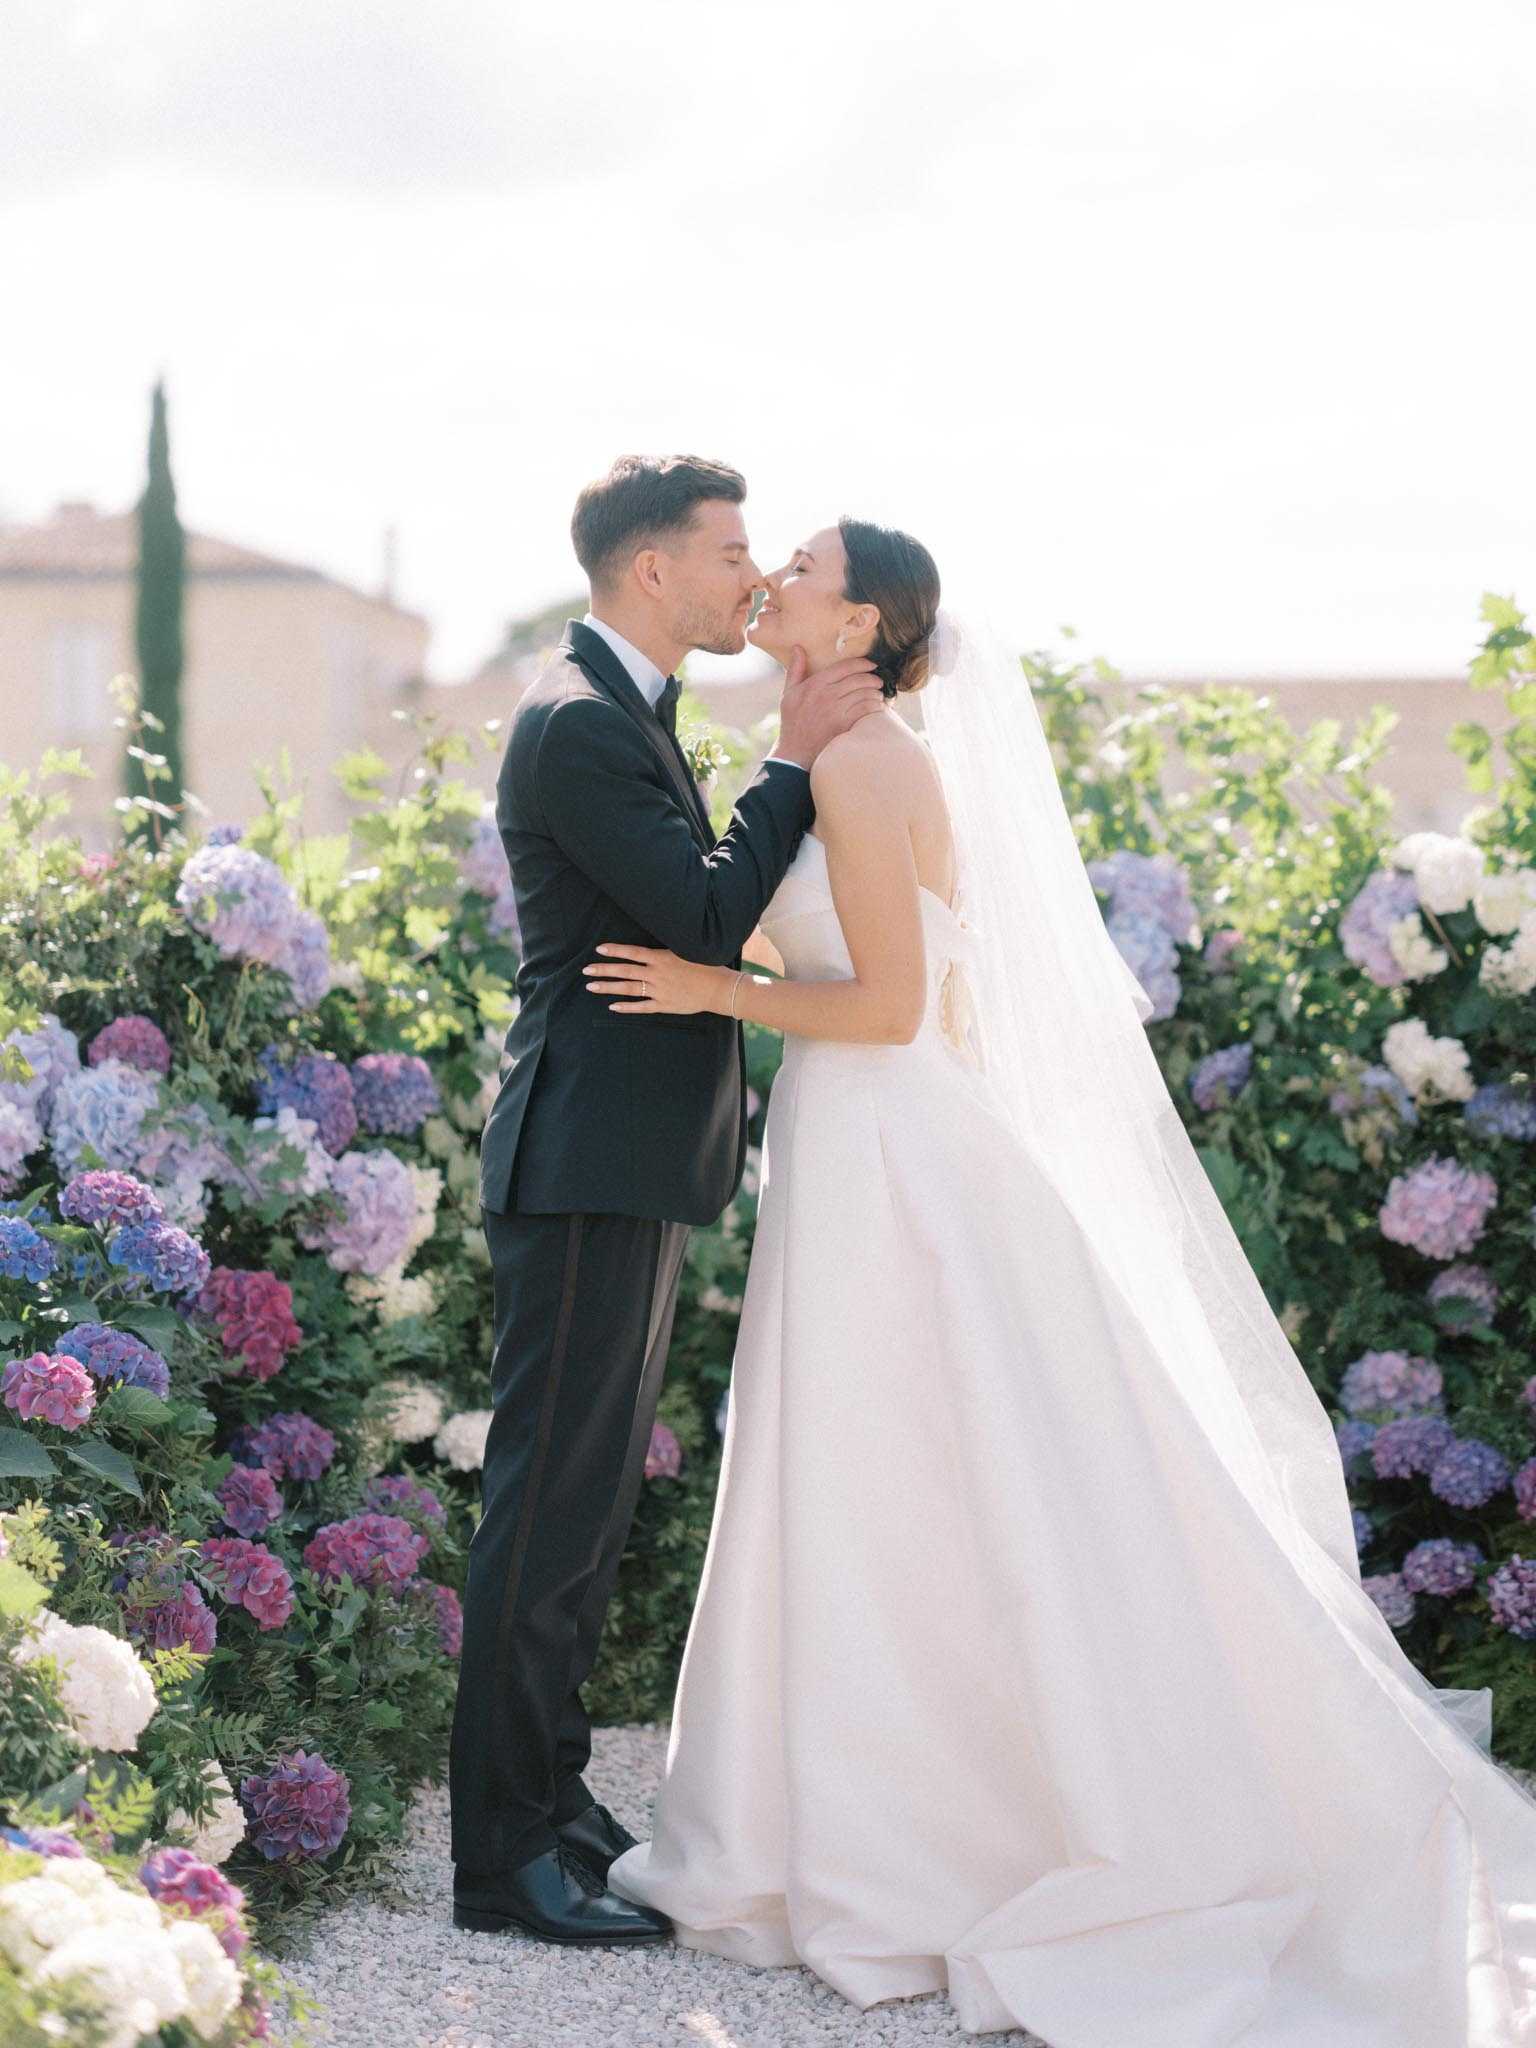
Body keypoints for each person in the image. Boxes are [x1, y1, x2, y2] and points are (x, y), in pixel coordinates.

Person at [591, 517, 1536, 2043]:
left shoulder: (867, 760)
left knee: (909, 1474)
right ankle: (862, 1818)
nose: (776, 575)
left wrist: (711, 986)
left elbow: (896, 1006)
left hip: (894, 1151)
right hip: (865, 1150)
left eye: (809, 565)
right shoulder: (835, 740)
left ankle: (918, 1842)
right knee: (886, 1480)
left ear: (862, 624)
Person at [448, 457, 885, 1945]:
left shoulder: (627, 712)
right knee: (543, 1512)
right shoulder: (577, 724)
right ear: (652, 571)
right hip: (579, 1166)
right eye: (729, 555)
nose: (749, 579)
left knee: (578, 1518)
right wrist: (794, 761)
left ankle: (555, 1804)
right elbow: (703, 913)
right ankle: (503, 1859)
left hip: (623, 1165)